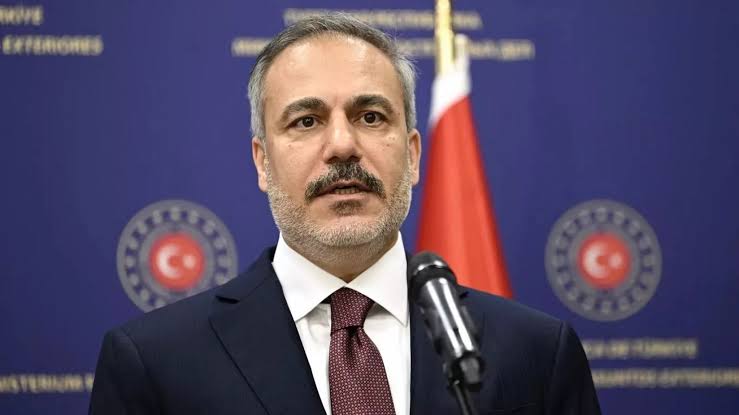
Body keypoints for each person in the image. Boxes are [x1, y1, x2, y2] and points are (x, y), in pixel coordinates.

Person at [89, 13, 601, 415]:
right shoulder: (155, 363)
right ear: (262, 162)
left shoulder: (536, 353)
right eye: (306, 121)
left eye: (370, 117)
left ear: (413, 154)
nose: (342, 145)